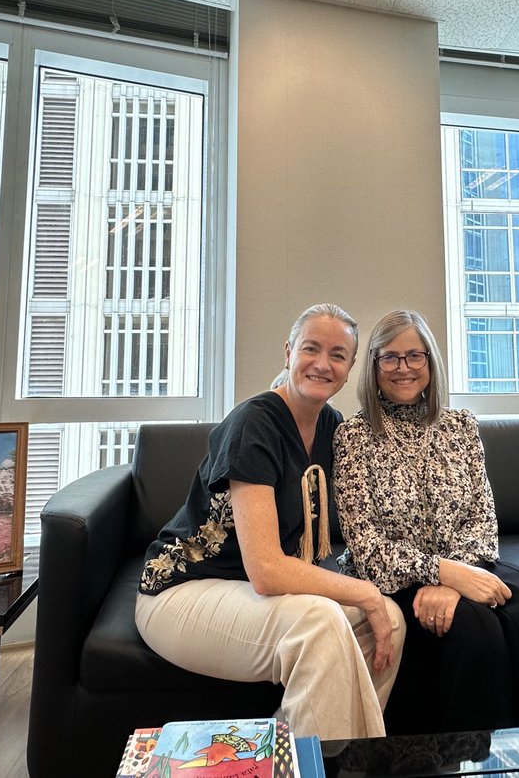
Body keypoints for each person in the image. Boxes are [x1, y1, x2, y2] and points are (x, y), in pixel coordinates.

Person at [135, 304, 405, 739]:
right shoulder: (254, 423)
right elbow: (266, 570)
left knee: (389, 618)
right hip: (182, 592)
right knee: (320, 621)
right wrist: (366, 593)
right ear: (288, 352)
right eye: (311, 348)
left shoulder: (330, 426)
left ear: (351, 367)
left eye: (338, 354)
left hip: (244, 592)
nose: (322, 363)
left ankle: (330, 756)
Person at [332, 309, 519, 733]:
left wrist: (454, 579)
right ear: (374, 367)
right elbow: (367, 546)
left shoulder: (460, 426)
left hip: (469, 563)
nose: (404, 368)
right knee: (477, 636)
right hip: (393, 576)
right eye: (390, 358)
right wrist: (441, 574)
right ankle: (474, 762)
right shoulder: (352, 436)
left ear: (431, 363)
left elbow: (482, 518)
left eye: (415, 356)